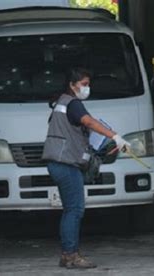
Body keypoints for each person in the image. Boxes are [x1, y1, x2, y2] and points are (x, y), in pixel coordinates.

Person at [42, 67, 130, 269]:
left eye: (88, 84)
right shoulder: (73, 104)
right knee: (74, 210)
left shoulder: (61, 103)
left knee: (70, 210)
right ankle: (71, 255)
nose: (87, 88)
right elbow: (88, 122)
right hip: (65, 164)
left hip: (58, 163)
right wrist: (114, 136)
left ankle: (68, 254)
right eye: (84, 84)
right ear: (73, 85)